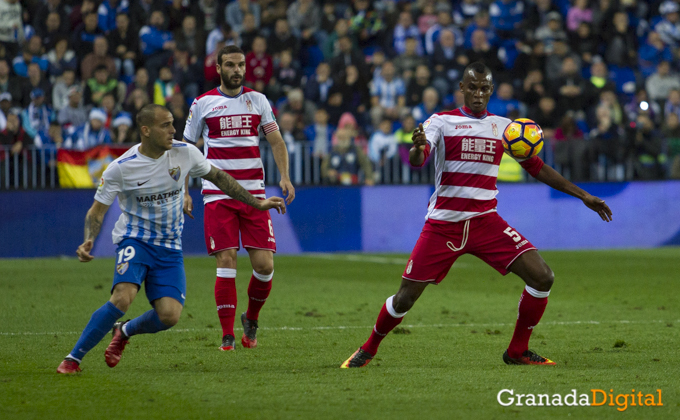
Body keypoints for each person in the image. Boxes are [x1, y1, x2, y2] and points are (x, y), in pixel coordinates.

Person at [341, 62, 613, 369]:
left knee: (542, 276)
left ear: (491, 91)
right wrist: (417, 147)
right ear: (461, 88)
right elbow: (419, 157)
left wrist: (583, 195)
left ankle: (517, 351)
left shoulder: (504, 127)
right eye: (472, 88)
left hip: (486, 222)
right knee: (405, 297)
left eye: (484, 89)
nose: (478, 94)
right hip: (444, 225)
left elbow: (536, 167)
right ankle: (368, 348)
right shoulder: (441, 122)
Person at [56, 104, 286, 374]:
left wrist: (256, 203)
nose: (173, 130)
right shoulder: (120, 168)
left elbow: (220, 178)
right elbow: (97, 211)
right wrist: (89, 239)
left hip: (169, 248)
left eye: (173, 124)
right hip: (135, 241)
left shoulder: (185, 153)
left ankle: (124, 331)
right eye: (165, 125)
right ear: (146, 130)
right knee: (123, 298)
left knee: (169, 315)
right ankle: (73, 358)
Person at [182, 45, 295, 352]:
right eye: (230, 64)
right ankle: (227, 335)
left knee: (264, 266)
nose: (236, 70)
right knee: (226, 260)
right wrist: (184, 190)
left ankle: (251, 318)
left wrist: (284, 176)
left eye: (240, 65)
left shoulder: (258, 100)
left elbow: (276, 140)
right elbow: (185, 148)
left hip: (254, 194)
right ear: (218, 68)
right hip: (217, 194)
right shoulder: (203, 103)